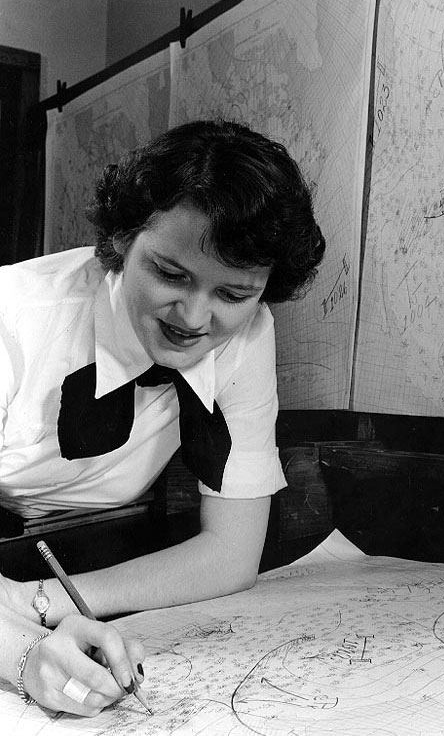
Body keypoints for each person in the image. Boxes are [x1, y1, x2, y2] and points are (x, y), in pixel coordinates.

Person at [0, 119, 325, 716]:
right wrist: (22, 652)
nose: (197, 317)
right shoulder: (12, 317)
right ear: (122, 240)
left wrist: (48, 602)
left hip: (61, 567)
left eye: (234, 293)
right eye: (171, 274)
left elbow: (231, 553)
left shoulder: (249, 338)